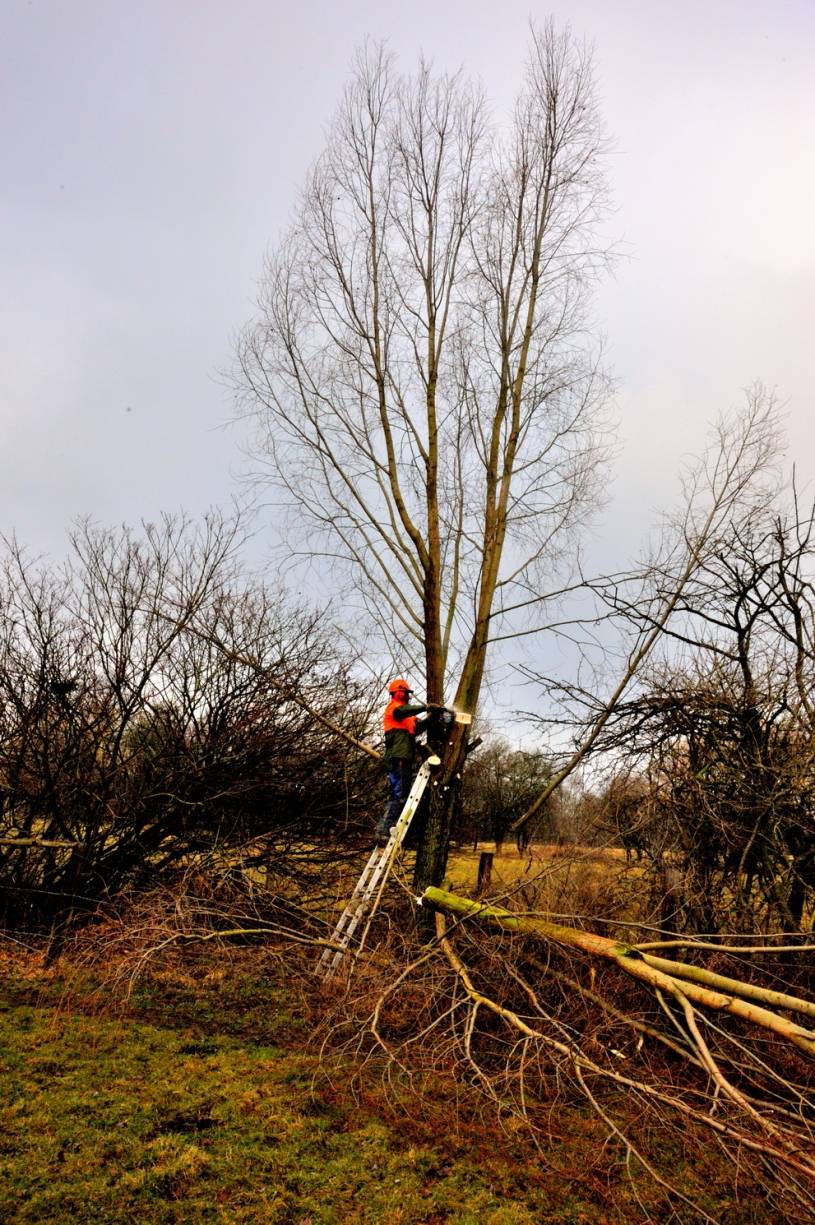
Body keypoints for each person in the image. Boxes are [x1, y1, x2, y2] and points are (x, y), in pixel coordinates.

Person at [375, 678, 431, 846]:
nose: (408, 696)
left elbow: (419, 727)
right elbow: (403, 711)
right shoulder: (394, 708)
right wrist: (425, 707)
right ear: (399, 692)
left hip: (406, 758)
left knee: (405, 797)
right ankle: (382, 831)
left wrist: (432, 716)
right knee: (397, 795)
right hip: (398, 758)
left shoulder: (409, 716)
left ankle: (399, 831)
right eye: (406, 693)